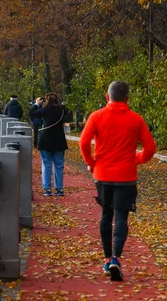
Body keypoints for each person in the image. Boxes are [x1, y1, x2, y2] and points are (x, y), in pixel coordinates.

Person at [79, 81, 156, 281]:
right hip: (126, 176)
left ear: (107, 97)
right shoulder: (136, 120)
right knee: (121, 217)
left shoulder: (97, 116)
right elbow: (150, 148)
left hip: (103, 175)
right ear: (127, 98)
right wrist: (137, 159)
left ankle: (106, 259)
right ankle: (116, 257)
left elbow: (84, 141)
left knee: (106, 215)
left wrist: (91, 162)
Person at [29, 93, 68, 197]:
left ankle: (47, 189)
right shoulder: (61, 110)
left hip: (46, 140)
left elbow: (32, 113)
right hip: (59, 141)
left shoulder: (45, 110)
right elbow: (67, 113)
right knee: (59, 166)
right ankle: (59, 189)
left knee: (46, 165)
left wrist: (36, 104)